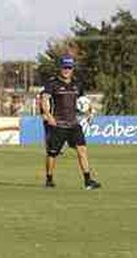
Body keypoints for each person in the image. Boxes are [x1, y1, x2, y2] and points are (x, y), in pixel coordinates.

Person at [41, 55, 101, 190]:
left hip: (74, 124)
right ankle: (49, 179)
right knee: (52, 153)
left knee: (82, 150)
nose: (66, 70)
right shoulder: (52, 83)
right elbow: (44, 99)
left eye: (69, 67)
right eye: (64, 67)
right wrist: (48, 115)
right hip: (58, 124)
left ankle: (88, 180)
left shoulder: (77, 84)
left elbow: (84, 101)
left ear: (72, 69)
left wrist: (90, 112)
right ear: (60, 68)